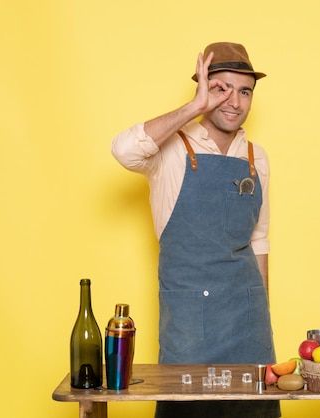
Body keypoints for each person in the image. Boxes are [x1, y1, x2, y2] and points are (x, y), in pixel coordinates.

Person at [111, 42, 280, 418]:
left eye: (245, 91)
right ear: (202, 88)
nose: (234, 101)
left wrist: (261, 312)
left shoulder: (257, 157)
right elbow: (123, 150)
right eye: (221, 88)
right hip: (190, 321)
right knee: (187, 411)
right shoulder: (169, 149)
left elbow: (259, 238)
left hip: (247, 319)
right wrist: (193, 107)